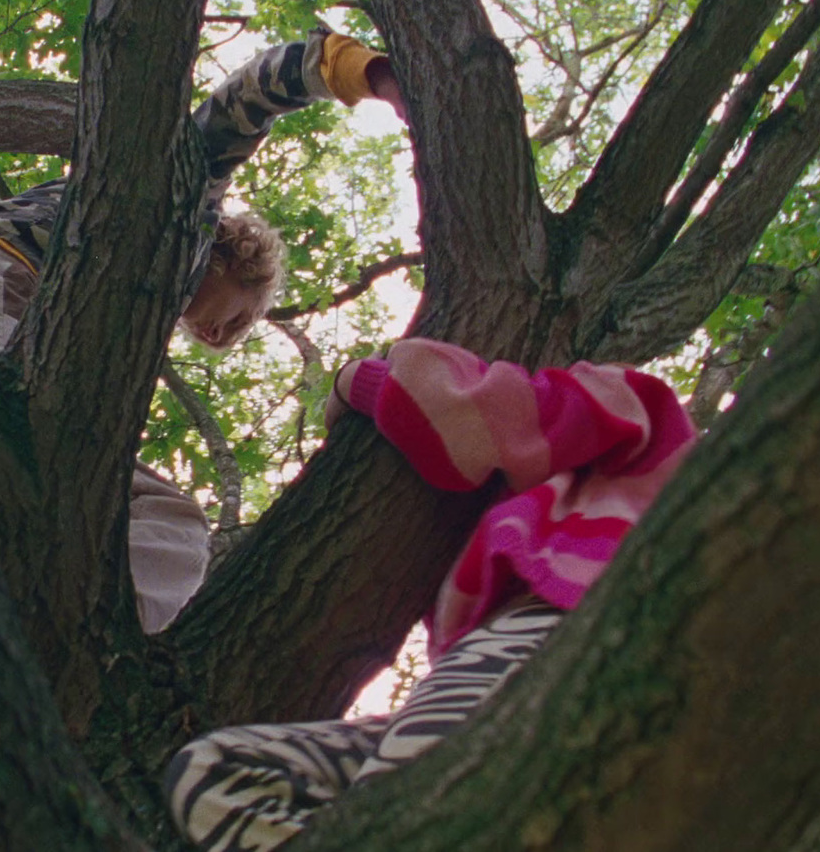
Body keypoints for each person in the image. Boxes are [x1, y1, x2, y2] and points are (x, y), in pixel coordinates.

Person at [0, 25, 400, 628]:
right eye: (234, 319)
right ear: (233, 256)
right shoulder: (184, 205)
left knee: (157, 511)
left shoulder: (121, 318)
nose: (216, 336)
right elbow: (249, 95)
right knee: (11, 429)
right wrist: (370, 73)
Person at [163, 338, 698, 851]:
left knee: (408, 810)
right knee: (214, 771)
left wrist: (355, 380)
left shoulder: (630, 401)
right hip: (507, 675)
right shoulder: (521, 519)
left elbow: (462, 421)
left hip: (563, 630)